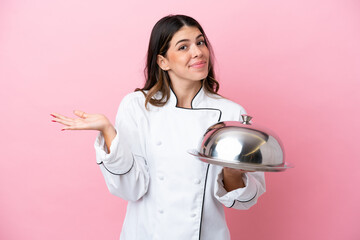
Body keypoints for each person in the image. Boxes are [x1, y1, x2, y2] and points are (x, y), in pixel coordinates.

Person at [51, 14, 266, 240]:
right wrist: (108, 132)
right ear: (163, 61)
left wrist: (232, 173)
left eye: (200, 42)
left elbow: (244, 201)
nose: (197, 52)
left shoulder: (232, 113)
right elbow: (130, 189)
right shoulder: (137, 106)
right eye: (183, 47)